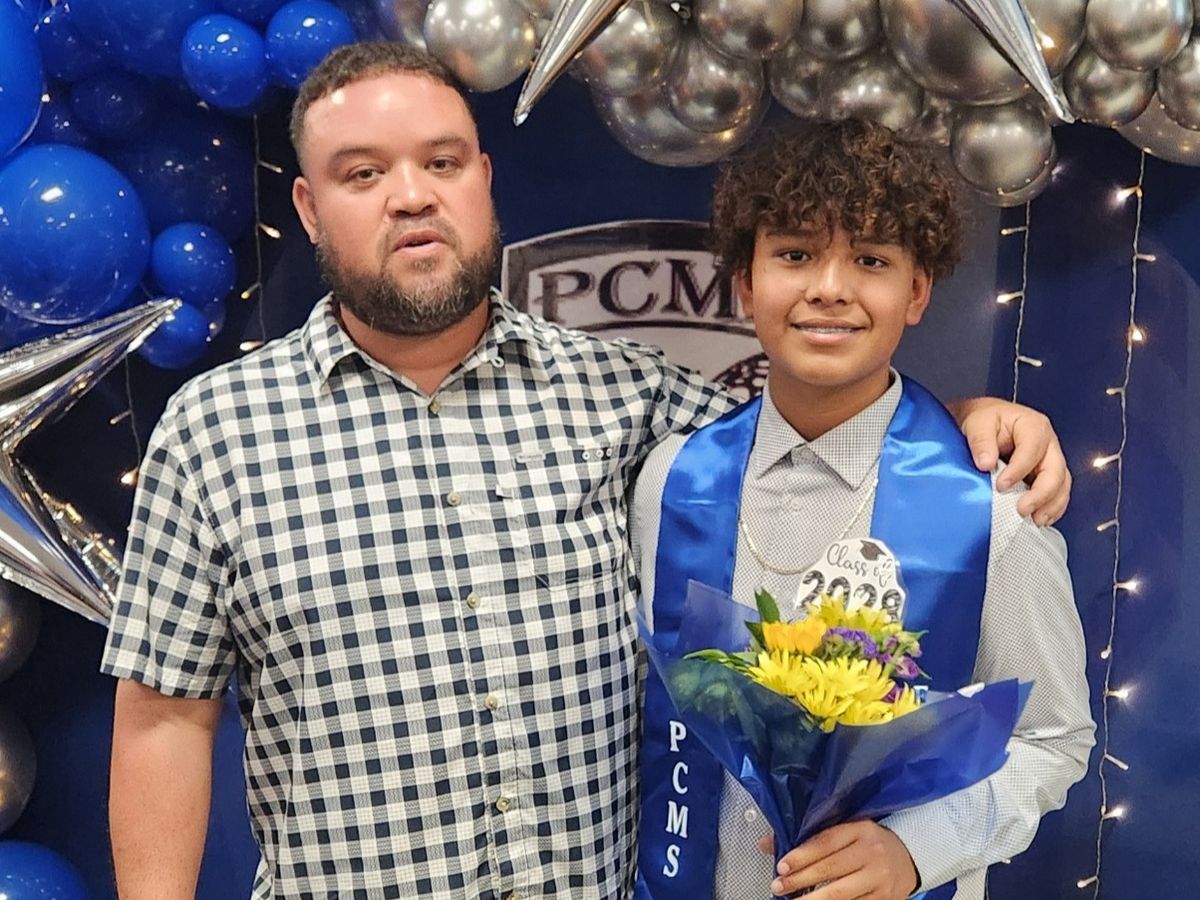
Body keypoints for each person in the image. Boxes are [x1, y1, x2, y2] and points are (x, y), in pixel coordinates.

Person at [102, 43, 1072, 900]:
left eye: (441, 162)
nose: (411, 195)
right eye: (363, 173)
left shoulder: (625, 399)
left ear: (482, 178)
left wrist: (966, 424)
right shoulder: (214, 433)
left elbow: (820, 421)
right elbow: (162, 721)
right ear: (309, 207)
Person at [631, 121, 1093, 900]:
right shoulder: (672, 478)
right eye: (795, 254)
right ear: (745, 282)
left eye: (871, 260)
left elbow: (1052, 739)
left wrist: (915, 849)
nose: (830, 288)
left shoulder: (990, 511)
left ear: (917, 292)